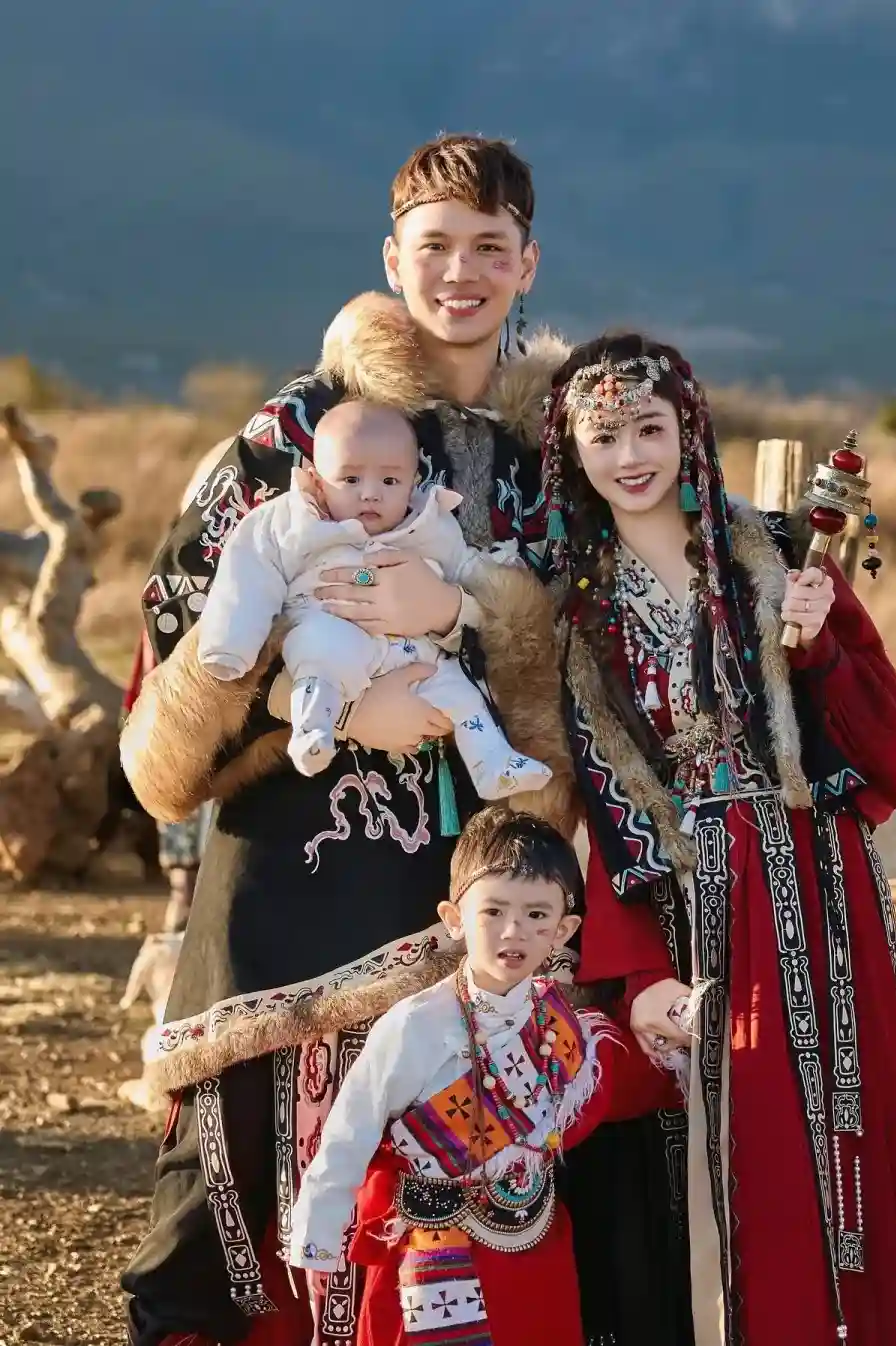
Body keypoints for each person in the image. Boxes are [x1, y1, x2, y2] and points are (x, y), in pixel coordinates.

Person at [119, 135, 577, 1346]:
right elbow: (181, 613)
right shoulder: (294, 431)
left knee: (426, 1223)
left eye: (489, 247)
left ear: (527, 263)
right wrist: (295, 694)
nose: (461, 272)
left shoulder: (546, 462)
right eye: (436, 246)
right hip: (284, 856)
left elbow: (585, 651)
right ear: (391, 257)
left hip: (462, 881)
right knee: (226, 1194)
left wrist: (469, 611)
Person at [542, 334, 896, 1345]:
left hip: (820, 888)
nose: (630, 456)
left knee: (847, 1148)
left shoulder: (775, 553)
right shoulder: (578, 612)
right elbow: (609, 805)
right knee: (737, 1165)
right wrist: (639, 975)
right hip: (694, 910)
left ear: (690, 431)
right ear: (572, 450)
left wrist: (822, 648)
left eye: (649, 428)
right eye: (604, 436)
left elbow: (889, 751)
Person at [288, 807, 684, 1346]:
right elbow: (348, 1134)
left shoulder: (558, 1023)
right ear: (454, 917)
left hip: (534, 1246)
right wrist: (318, 1238)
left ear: (564, 929)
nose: (513, 932)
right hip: (434, 1249)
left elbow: (612, 1086)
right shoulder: (414, 1025)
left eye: (537, 915)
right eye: (493, 911)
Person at [198, 390, 551, 795]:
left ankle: (493, 763)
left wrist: (455, 607)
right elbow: (248, 568)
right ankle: (314, 728)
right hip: (330, 628)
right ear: (317, 480)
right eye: (350, 480)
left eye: (389, 481)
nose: (371, 493)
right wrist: (231, 645)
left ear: (413, 482)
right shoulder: (295, 518)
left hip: (413, 653)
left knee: (462, 694)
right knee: (322, 652)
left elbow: (467, 567)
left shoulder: (428, 523)